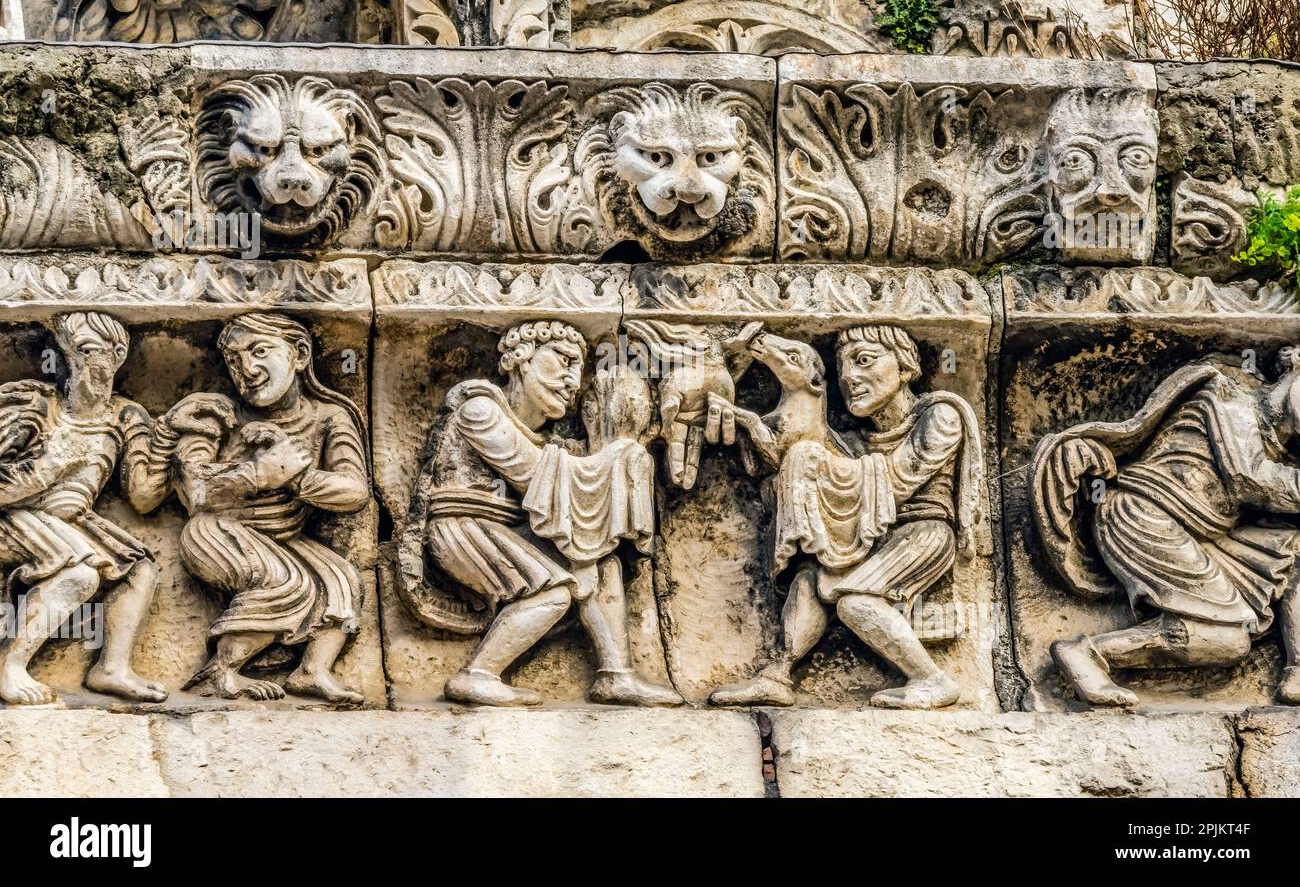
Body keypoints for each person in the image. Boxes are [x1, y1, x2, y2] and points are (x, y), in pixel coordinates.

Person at [404, 319, 682, 707]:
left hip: (509, 530)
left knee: (602, 564)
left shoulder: (552, 442)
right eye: (562, 360)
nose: (571, 380)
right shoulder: (481, 410)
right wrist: (614, 455)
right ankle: (477, 675)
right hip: (465, 530)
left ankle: (616, 676)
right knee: (555, 591)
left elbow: (564, 484)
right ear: (520, 359)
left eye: (578, 369)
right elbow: (532, 474)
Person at [710, 324, 984, 709]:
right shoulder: (853, 443)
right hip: (868, 535)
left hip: (922, 533)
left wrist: (814, 463)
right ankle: (777, 676)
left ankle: (931, 679)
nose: (850, 378)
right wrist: (752, 424)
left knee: (854, 601)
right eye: (843, 368)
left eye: (865, 361)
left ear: (905, 368)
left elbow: (897, 480)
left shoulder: (940, 417)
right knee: (808, 579)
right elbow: (794, 459)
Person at [1033, 350, 1300, 706]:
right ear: (1294, 366)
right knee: (1227, 641)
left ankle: (1296, 668)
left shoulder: (1275, 445)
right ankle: (1088, 653)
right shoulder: (1229, 399)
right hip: (1144, 515)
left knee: (1289, 559)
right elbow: (1250, 481)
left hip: (1206, 534)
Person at [142, 313, 371, 703]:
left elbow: (354, 491)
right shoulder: (218, 415)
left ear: (299, 355)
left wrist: (297, 479)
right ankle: (224, 670)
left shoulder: (331, 418)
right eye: (233, 360)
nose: (246, 369)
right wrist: (257, 473)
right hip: (215, 532)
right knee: (283, 581)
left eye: (260, 350)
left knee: (342, 579)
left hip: (284, 535)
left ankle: (311, 671)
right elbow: (196, 490)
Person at [0, 312, 166, 705]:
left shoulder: (126, 417)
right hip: (18, 515)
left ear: (118, 354)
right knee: (80, 575)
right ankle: (11, 664)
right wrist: (49, 467)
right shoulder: (37, 406)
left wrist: (171, 437)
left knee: (139, 570)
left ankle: (112, 668)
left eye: (91, 350)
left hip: (71, 522)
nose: (81, 363)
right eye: (70, 353)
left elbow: (143, 498)